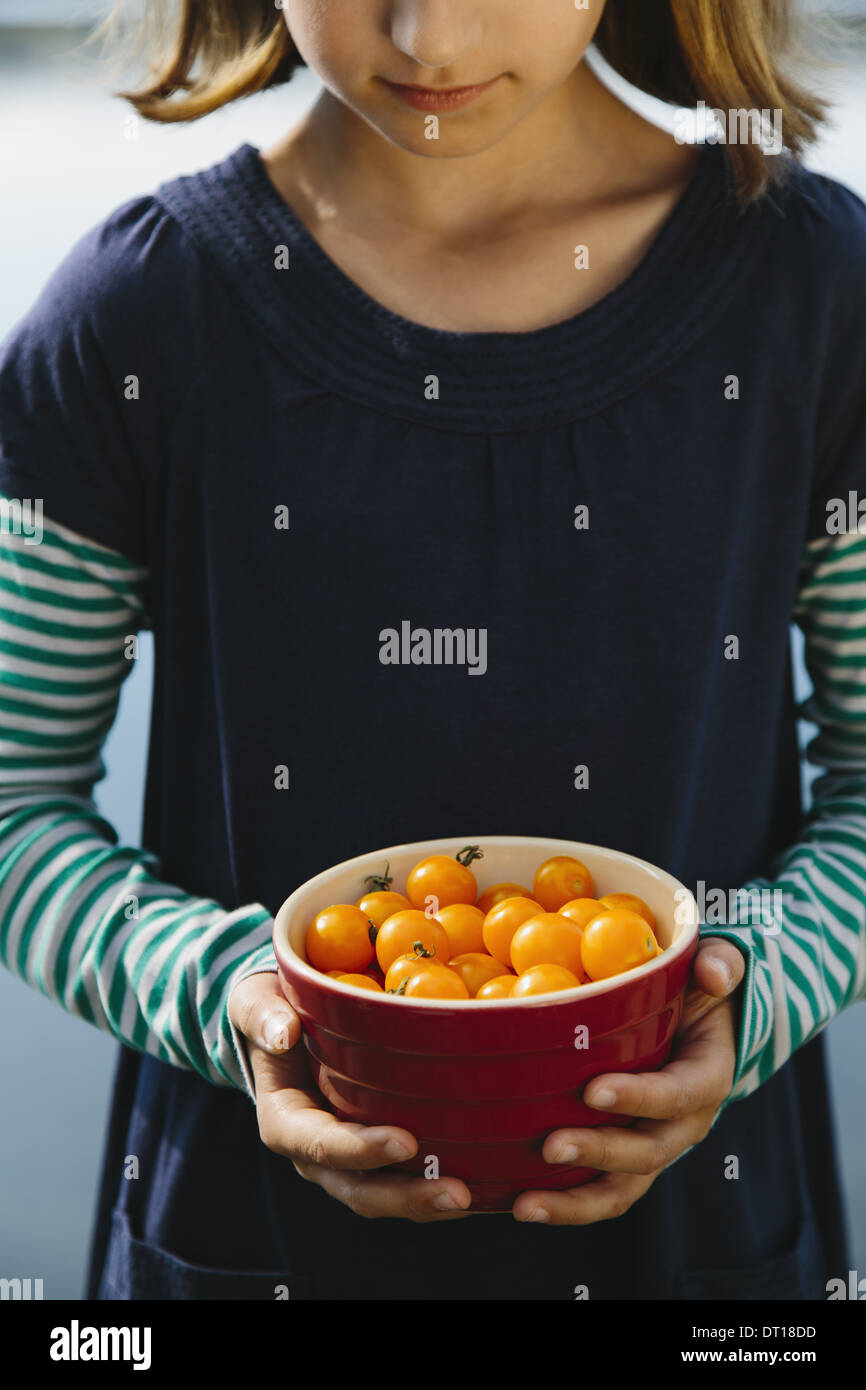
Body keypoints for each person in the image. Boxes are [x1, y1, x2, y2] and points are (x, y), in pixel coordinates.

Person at [0, 0, 864, 1300]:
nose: (431, 38)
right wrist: (239, 997)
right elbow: (14, 794)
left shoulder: (817, 292)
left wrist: (749, 987)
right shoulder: (133, 313)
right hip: (243, 1242)